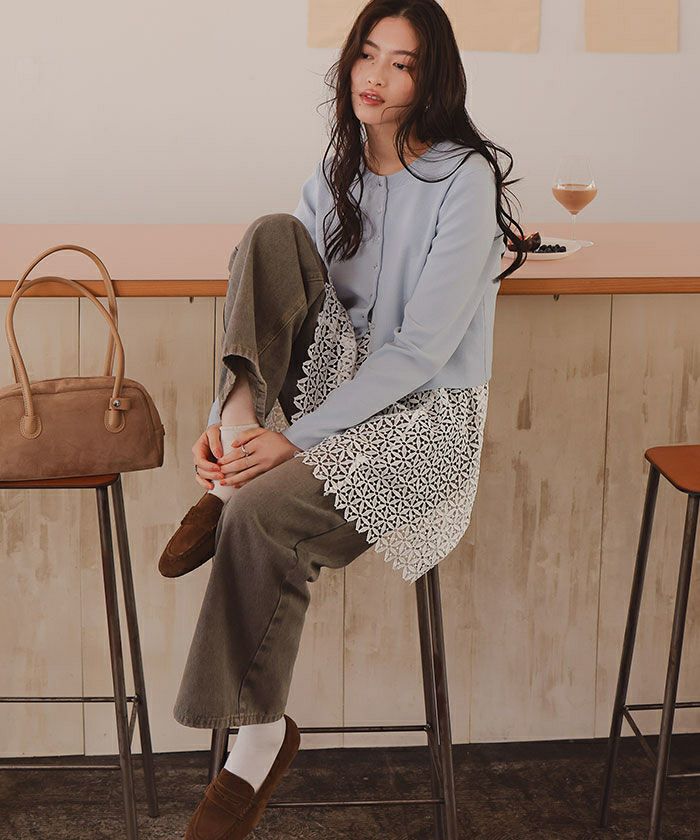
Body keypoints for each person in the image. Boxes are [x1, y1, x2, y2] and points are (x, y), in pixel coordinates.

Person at [161, 2, 527, 837]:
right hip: (332, 391)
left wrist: (294, 439)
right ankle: (229, 457)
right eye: (368, 54)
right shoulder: (337, 168)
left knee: (261, 510)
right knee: (268, 236)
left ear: (431, 79)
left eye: (402, 63)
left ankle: (255, 742)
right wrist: (235, 419)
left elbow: (422, 350)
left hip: (420, 425)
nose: (377, 76)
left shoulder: (465, 178)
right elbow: (278, 297)